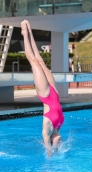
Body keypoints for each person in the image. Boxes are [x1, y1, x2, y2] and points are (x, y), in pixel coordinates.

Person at [21, 20, 64, 156]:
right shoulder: (58, 126)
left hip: (46, 94)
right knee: (40, 59)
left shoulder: (48, 128)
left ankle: (24, 34)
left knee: (33, 61)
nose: (61, 141)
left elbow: (47, 150)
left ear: (52, 141)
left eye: (58, 142)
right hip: (54, 91)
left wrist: (50, 151)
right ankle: (29, 31)